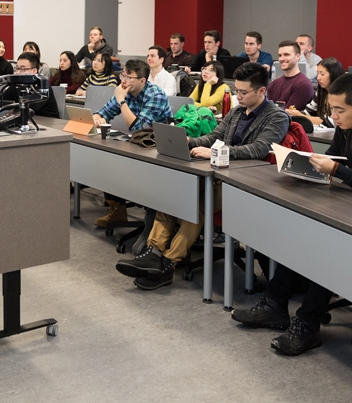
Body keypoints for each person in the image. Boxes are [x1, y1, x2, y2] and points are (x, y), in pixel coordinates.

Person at [232, 73, 352, 355]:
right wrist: (303, 166)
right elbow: (333, 157)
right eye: (332, 109)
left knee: (325, 245)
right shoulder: (347, 127)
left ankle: (308, 324)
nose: (334, 116)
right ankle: (274, 305)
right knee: (301, 231)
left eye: (340, 110)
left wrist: (336, 171)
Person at [116, 62, 289, 290]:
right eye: (236, 91)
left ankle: (168, 264)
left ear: (261, 91)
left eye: (243, 93)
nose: (238, 96)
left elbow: (258, 149)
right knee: (176, 193)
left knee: (197, 202)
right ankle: (154, 252)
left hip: (245, 184)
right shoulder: (237, 111)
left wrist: (216, 151)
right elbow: (214, 135)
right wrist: (189, 141)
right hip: (219, 175)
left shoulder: (277, 117)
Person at [92, 60, 172, 228]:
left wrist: (121, 101)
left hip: (157, 151)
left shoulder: (155, 94)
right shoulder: (125, 90)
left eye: (129, 77)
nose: (124, 81)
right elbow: (103, 113)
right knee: (105, 156)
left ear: (142, 80)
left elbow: (138, 128)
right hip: (135, 146)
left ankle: (155, 221)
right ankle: (117, 209)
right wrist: (97, 118)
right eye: (123, 75)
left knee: (116, 160)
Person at [287, 57, 344, 127]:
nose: (318, 78)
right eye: (317, 74)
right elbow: (308, 112)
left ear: (333, 75)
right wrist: (294, 114)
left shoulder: (342, 96)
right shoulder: (320, 93)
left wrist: (301, 116)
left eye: (322, 74)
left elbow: (332, 122)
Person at [267, 40, 314, 111]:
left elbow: (286, 115)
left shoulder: (303, 84)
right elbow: (267, 110)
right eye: (280, 55)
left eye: (286, 55)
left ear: (298, 56)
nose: (282, 59)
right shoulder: (274, 84)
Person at [12, 51, 59, 119]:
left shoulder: (43, 85)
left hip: (49, 123)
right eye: (17, 68)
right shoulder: (18, 84)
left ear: (34, 71)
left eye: (22, 69)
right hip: (31, 121)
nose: (18, 72)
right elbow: (0, 101)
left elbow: (28, 109)